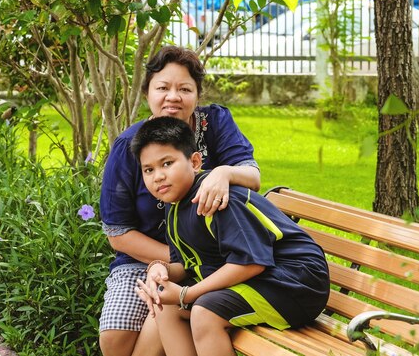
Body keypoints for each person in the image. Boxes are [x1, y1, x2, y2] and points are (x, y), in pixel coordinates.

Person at [99, 46, 261, 356]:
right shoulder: (129, 146)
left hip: (215, 257)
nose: (173, 96)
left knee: (162, 313)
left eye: (184, 89)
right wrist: (176, 261)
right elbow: (117, 233)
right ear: (147, 92)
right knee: (115, 340)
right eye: (163, 88)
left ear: (197, 94)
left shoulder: (214, 124)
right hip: (148, 259)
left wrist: (224, 173)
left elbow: (252, 175)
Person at [130, 116, 330, 356]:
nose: (158, 176)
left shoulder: (216, 199)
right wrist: (158, 270)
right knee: (167, 307)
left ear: (194, 162)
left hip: (295, 281)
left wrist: (187, 293)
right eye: (148, 170)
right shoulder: (175, 207)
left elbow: (252, 262)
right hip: (264, 278)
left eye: (167, 164)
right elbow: (185, 265)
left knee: (205, 312)